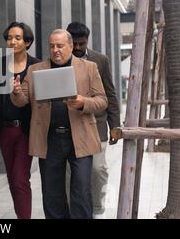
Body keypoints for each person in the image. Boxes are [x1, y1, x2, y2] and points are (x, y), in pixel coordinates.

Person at [11, 29, 107, 219]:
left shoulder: (89, 68)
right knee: (52, 192)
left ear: (70, 46)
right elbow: (22, 100)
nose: (55, 50)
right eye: (52, 46)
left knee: (81, 190)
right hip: (50, 138)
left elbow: (102, 100)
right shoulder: (35, 70)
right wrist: (15, 91)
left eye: (60, 46)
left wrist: (83, 103)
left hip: (80, 137)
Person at [0, 22, 40, 219]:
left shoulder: (36, 66)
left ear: (28, 42)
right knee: (13, 179)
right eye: (9, 38)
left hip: (26, 131)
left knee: (20, 178)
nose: (12, 41)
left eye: (17, 38)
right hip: (4, 131)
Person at [66, 22, 120, 219]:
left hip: (96, 126)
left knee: (98, 169)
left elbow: (110, 95)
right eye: (75, 44)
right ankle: (73, 212)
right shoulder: (61, 61)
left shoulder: (100, 60)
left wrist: (115, 125)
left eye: (82, 43)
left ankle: (97, 210)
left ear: (87, 40)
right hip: (71, 126)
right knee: (71, 174)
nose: (79, 48)